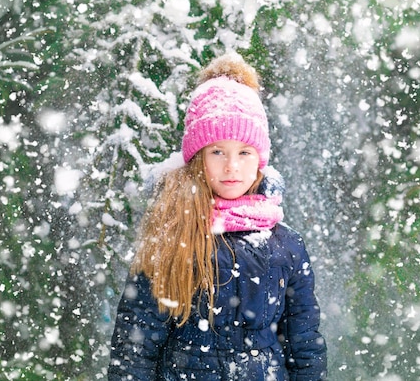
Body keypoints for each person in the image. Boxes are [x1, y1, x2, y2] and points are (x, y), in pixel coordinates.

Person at [108, 53, 327, 380]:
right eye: (217, 151)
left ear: (260, 158)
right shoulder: (171, 235)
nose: (232, 166)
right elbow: (135, 348)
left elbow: (304, 344)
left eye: (244, 152)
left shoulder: (286, 246)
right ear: (197, 158)